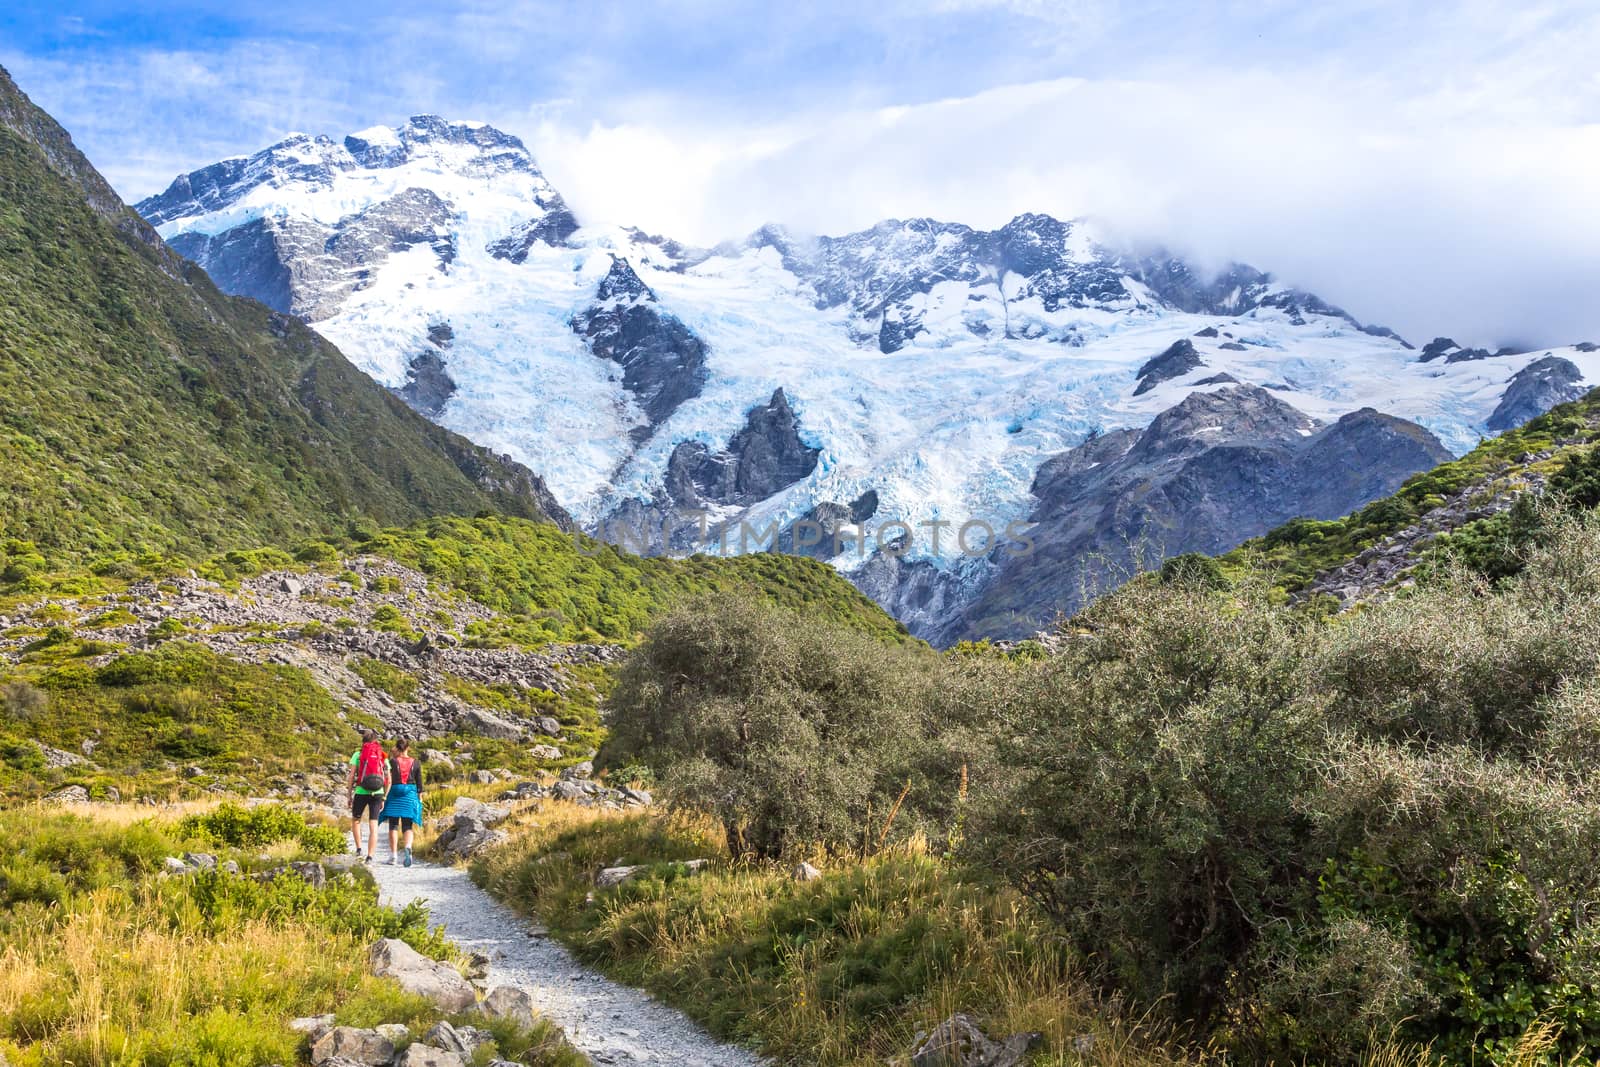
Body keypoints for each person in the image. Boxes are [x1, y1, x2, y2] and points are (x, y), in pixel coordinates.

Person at [346, 729, 390, 863]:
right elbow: (389, 778)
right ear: (375, 742)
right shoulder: (382, 755)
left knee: (356, 820)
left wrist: (349, 794)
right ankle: (370, 856)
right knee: (373, 824)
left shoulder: (358, 755)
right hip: (377, 792)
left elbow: (352, 775)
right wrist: (384, 796)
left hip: (361, 791)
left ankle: (359, 849)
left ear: (363, 742)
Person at [381, 738, 424, 867]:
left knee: (393, 825)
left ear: (397, 748)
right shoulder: (416, 762)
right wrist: (419, 797)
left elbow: (387, 778)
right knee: (407, 825)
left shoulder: (392, 761)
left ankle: (393, 855)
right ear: (408, 748)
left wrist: (384, 795)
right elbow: (419, 782)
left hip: (394, 792)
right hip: (410, 793)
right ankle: (408, 847)